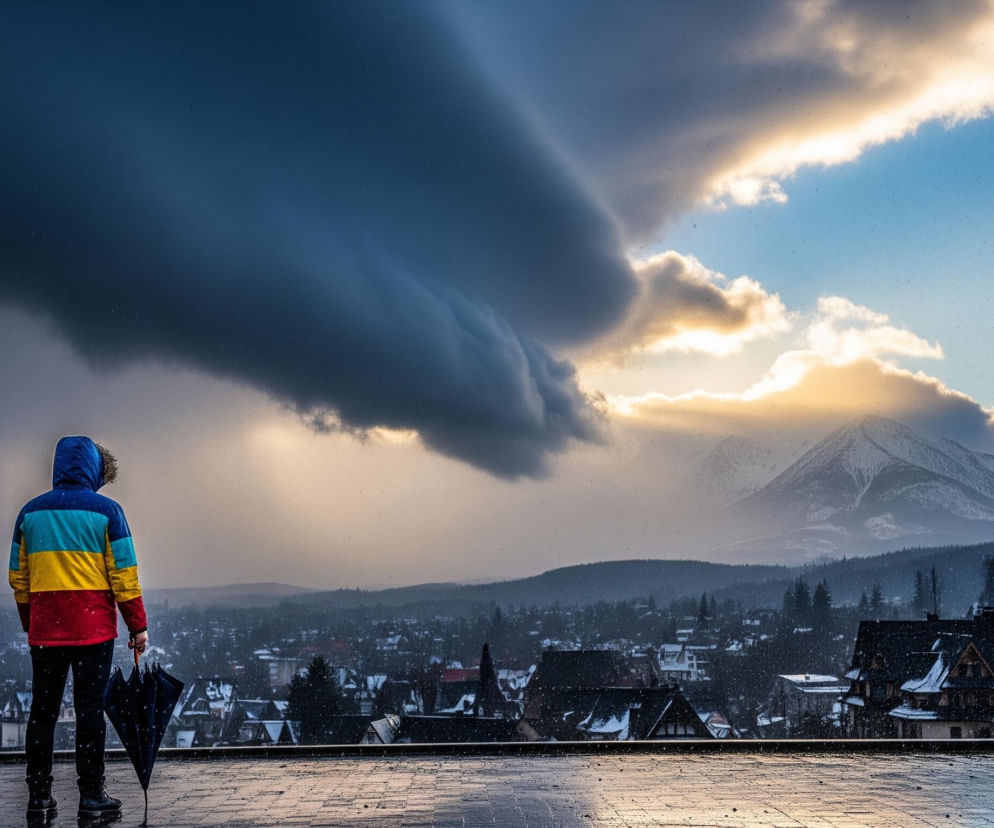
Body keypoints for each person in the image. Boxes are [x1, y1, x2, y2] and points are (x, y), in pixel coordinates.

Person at [8, 436, 148, 823]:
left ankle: (38, 795)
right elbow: (125, 576)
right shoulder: (108, 511)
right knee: (89, 712)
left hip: (46, 632)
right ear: (93, 469)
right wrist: (137, 626)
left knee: (42, 712)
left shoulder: (29, 513)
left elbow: (18, 578)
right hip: (93, 633)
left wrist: (30, 620)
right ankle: (91, 796)